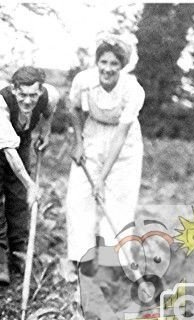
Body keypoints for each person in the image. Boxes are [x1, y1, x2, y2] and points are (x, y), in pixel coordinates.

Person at [0, 66, 59, 284]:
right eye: (22, 94)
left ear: (40, 91)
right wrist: (31, 184)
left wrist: (46, 130)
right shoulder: (0, 101)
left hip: (20, 141)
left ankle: (18, 254)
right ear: (14, 90)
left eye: (33, 95)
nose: (28, 101)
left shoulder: (49, 95)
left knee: (18, 199)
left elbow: (50, 109)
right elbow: (8, 150)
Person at [66, 35, 144, 264]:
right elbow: (72, 108)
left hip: (124, 145)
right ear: (97, 62)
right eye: (104, 62)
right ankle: (81, 259)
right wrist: (78, 142)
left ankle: (114, 261)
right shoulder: (83, 80)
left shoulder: (133, 89)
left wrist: (102, 177)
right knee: (78, 198)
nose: (108, 69)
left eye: (114, 64)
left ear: (122, 67)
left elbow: (120, 137)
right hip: (91, 135)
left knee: (120, 202)